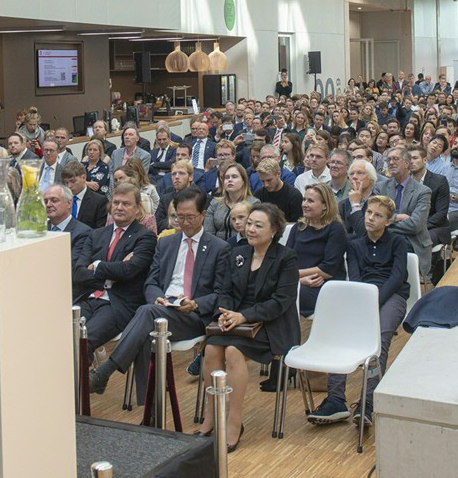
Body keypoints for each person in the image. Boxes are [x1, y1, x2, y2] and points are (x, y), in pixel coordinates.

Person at [89, 185, 230, 399]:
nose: (183, 222)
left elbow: (221, 292)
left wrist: (196, 303)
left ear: (202, 215)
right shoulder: (166, 243)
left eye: (190, 217)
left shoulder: (219, 247)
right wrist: (157, 298)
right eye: (178, 217)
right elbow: (151, 281)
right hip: (163, 308)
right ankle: (149, 405)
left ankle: (106, 371)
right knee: (148, 332)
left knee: (147, 315)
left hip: (193, 315)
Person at [197, 203, 300, 452]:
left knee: (232, 351)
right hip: (237, 320)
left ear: (274, 230)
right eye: (249, 223)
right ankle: (211, 416)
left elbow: (281, 302)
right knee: (211, 349)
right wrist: (224, 314)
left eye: (258, 225)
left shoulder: (287, 258)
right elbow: (225, 291)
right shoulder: (237, 253)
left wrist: (244, 316)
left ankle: (234, 421)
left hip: (272, 325)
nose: (250, 229)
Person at [305, 195, 408, 428]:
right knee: (340, 334)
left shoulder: (398, 243)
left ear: (388, 222)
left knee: (379, 338)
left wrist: (375, 301)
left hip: (392, 296)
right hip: (361, 297)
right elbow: (356, 276)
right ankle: (335, 399)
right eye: (369, 212)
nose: (371, 218)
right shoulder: (354, 245)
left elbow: (398, 276)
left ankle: (368, 402)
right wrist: (364, 302)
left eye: (378, 215)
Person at [73, 183, 158, 353]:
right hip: (89, 298)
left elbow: (129, 271)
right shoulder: (96, 234)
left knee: (84, 341)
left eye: (126, 204)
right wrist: (114, 272)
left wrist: (97, 265)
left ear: (137, 208)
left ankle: (86, 380)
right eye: (116, 203)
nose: (119, 207)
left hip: (117, 304)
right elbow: (79, 273)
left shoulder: (145, 237)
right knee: (62, 334)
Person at [288, 184, 347, 315]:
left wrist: (294, 276)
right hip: (299, 281)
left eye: (310, 201)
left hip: (323, 285)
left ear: (325, 205)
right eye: (304, 199)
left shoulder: (335, 229)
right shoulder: (298, 227)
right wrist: (298, 279)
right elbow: (285, 262)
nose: (304, 204)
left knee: (286, 295)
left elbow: (327, 270)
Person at [374, 146, 431, 269]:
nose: (391, 163)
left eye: (395, 159)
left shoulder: (423, 191)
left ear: (407, 163)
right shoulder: (380, 187)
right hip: (384, 237)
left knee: (396, 245)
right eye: (388, 160)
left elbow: (415, 225)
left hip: (412, 241)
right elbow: (375, 218)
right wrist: (397, 217)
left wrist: (387, 223)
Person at [338, 159, 376, 238]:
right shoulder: (342, 205)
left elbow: (366, 235)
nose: (354, 177)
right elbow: (338, 235)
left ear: (371, 179)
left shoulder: (378, 204)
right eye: (351, 174)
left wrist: (355, 205)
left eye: (360, 173)